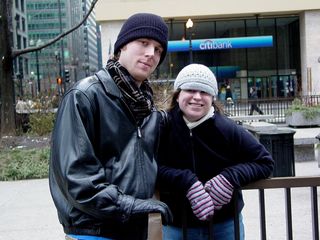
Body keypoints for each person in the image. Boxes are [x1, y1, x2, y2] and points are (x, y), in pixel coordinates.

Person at [49, 13, 173, 240]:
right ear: (123, 46)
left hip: (135, 230)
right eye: (143, 43)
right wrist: (132, 205)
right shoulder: (85, 96)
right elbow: (77, 179)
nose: (151, 54)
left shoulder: (146, 109)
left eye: (158, 50)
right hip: (93, 232)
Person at [156, 64, 274, 240]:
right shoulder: (161, 127)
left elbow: (265, 162)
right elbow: (147, 168)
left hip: (225, 225)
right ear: (178, 93)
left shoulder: (228, 129)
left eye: (204, 92)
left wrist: (230, 178)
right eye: (190, 89)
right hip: (177, 226)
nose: (197, 97)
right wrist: (185, 182)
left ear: (212, 97)